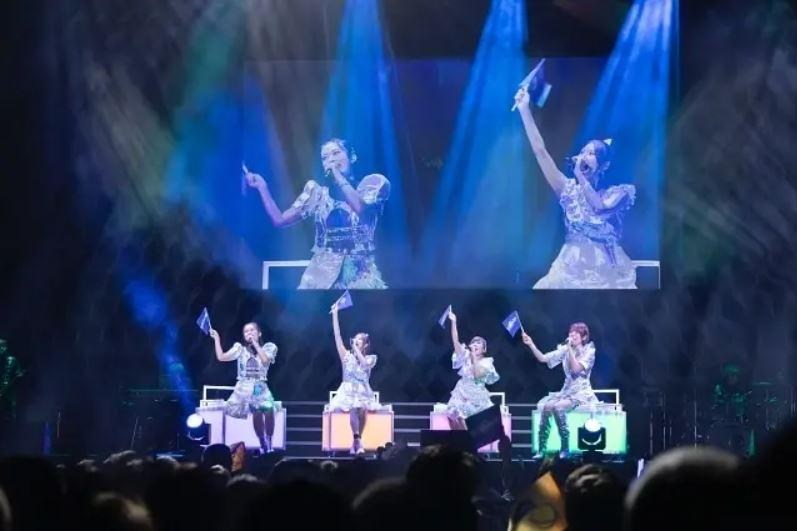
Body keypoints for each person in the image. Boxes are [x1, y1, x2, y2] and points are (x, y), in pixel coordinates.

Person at [514, 86, 637, 289]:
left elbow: (599, 208)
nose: (584, 156)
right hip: (570, 268)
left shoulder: (620, 193)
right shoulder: (567, 190)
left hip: (607, 271)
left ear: (604, 165)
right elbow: (540, 152)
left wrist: (580, 175)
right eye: (582, 151)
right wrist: (524, 109)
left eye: (591, 153)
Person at [244, 138, 391, 289]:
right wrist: (262, 187)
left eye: (336, 153)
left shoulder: (372, 185)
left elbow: (360, 208)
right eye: (325, 157)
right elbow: (279, 220)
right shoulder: (317, 192)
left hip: (360, 275)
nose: (331, 160)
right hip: (320, 277)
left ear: (351, 156)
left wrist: (338, 176)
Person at [522, 323, 598, 457]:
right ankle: (542, 449)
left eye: (576, 332)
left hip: (581, 392)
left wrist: (569, 348)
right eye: (571, 332)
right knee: (547, 406)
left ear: (584, 337)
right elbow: (543, 358)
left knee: (558, 407)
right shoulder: (565, 349)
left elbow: (576, 369)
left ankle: (565, 448)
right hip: (566, 391)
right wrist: (531, 344)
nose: (572, 334)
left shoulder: (589, 351)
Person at [208, 323, 279, 453]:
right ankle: (262, 442)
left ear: (259, 333)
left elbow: (265, 360)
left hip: (260, 386)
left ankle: (269, 440)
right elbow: (221, 357)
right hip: (244, 387)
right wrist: (217, 339)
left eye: (252, 330)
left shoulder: (269, 347)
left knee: (268, 410)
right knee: (257, 414)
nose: (249, 333)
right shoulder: (240, 349)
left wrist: (255, 344)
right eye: (246, 331)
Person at [329, 302, 380, 454]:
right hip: (348, 391)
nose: (356, 341)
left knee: (362, 409)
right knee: (353, 407)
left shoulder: (371, 358)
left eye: (359, 340)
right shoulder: (346, 357)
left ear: (365, 345)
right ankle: (357, 441)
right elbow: (337, 336)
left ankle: (356, 442)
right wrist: (335, 314)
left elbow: (364, 364)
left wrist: (356, 350)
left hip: (363, 392)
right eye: (355, 339)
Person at [443, 311, 500, 430]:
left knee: (465, 419)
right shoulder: (466, 356)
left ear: (484, 349)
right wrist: (454, 322)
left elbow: (477, 375)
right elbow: (456, 342)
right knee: (452, 415)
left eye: (478, 343)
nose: (475, 344)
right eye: (473, 342)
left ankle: (467, 439)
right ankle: (458, 439)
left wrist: (473, 357)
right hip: (461, 390)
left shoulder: (487, 363)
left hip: (476, 396)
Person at [0, 339, 24, 424]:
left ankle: (13, 424)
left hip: (9, 392)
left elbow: (19, 373)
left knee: (11, 412)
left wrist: (19, 374)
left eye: (2, 346)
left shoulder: (13, 360)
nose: (1, 349)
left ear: (5, 347)